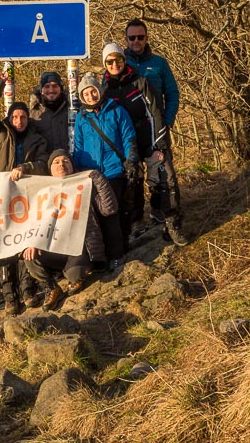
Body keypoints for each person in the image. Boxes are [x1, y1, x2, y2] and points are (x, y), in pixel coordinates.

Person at [15, 150, 119, 311]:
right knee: (28, 256)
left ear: (72, 166)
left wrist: (97, 177)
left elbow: (109, 209)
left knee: (75, 275)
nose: (61, 165)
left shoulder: (84, 186)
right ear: (50, 168)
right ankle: (51, 286)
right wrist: (33, 241)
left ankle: (75, 274)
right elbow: (34, 222)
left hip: (79, 249)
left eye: (65, 161)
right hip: (53, 249)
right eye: (56, 162)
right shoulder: (43, 191)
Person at [0, 71, 48, 315]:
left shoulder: (37, 139)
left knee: (23, 243)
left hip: (27, 200)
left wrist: (27, 167)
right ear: (9, 118)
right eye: (15, 116)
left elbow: (43, 164)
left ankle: (27, 290)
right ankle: (9, 295)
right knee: (4, 247)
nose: (19, 120)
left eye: (22, 116)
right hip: (1, 199)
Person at [124, 19, 187, 245]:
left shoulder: (159, 64)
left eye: (140, 37)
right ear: (126, 40)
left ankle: (171, 223)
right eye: (132, 38)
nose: (136, 41)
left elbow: (172, 94)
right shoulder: (118, 64)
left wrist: (167, 122)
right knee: (132, 180)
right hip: (128, 134)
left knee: (165, 177)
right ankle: (136, 223)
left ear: (146, 38)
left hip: (156, 132)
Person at [100, 41, 170, 246]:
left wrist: (159, 143)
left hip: (146, 136)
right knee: (133, 181)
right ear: (105, 64)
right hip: (123, 143)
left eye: (118, 59)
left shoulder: (140, 81)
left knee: (158, 177)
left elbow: (156, 111)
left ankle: (162, 215)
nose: (115, 64)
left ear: (124, 59)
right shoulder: (104, 90)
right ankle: (136, 221)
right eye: (110, 61)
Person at [72, 72, 137, 270]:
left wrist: (131, 160)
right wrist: (78, 171)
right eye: (86, 94)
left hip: (113, 171)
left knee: (111, 214)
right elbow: (79, 146)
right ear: (82, 97)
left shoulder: (116, 111)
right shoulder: (82, 118)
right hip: (91, 174)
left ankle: (117, 254)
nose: (90, 96)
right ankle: (101, 258)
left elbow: (128, 137)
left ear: (99, 90)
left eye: (93, 91)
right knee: (95, 217)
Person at [27, 70, 71, 153]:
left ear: (61, 89)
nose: (51, 90)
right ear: (41, 90)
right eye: (47, 86)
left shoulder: (71, 109)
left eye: (55, 86)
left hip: (67, 162)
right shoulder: (32, 113)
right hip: (42, 163)